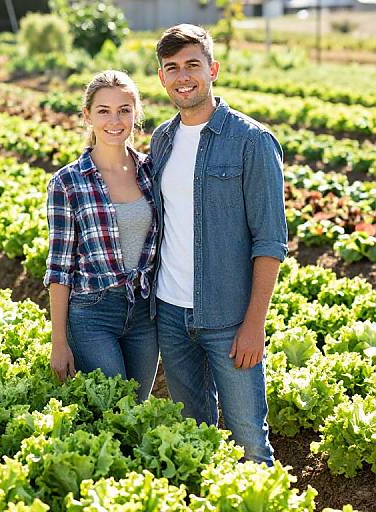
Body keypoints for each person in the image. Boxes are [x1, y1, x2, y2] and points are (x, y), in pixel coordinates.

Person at [149, 24, 288, 464]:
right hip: (170, 313)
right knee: (193, 437)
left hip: (229, 318)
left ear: (213, 69)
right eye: (172, 68)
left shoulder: (252, 142)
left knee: (249, 438)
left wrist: (254, 324)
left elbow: (270, 241)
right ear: (162, 78)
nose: (182, 76)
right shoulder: (162, 140)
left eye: (192, 64)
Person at [44, 70, 159, 401]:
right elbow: (59, 267)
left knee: (137, 409)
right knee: (115, 408)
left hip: (144, 314)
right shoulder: (67, 183)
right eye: (104, 111)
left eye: (124, 109)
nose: (115, 120)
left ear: (136, 114)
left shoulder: (151, 171)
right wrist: (59, 341)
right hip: (92, 313)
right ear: (88, 116)